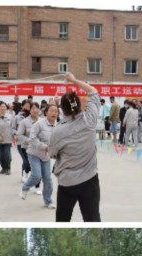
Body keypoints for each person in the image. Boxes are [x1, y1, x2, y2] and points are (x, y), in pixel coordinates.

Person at [48, 73, 101, 222]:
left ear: (62, 110)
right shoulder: (90, 120)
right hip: (89, 180)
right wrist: (73, 80)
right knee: (92, 219)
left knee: (62, 220)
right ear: (79, 104)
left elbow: (52, 153)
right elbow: (93, 92)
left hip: (67, 182)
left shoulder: (58, 131)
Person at [20, 104, 57, 208]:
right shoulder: (39, 124)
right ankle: (25, 188)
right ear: (46, 112)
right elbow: (32, 138)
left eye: (56, 111)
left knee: (48, 180)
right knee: (36, 176)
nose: (54, 113)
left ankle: (48, 202)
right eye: (52, 111)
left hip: (46, 156)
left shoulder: (57, 125)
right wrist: (44, 147)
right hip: (34, 153)